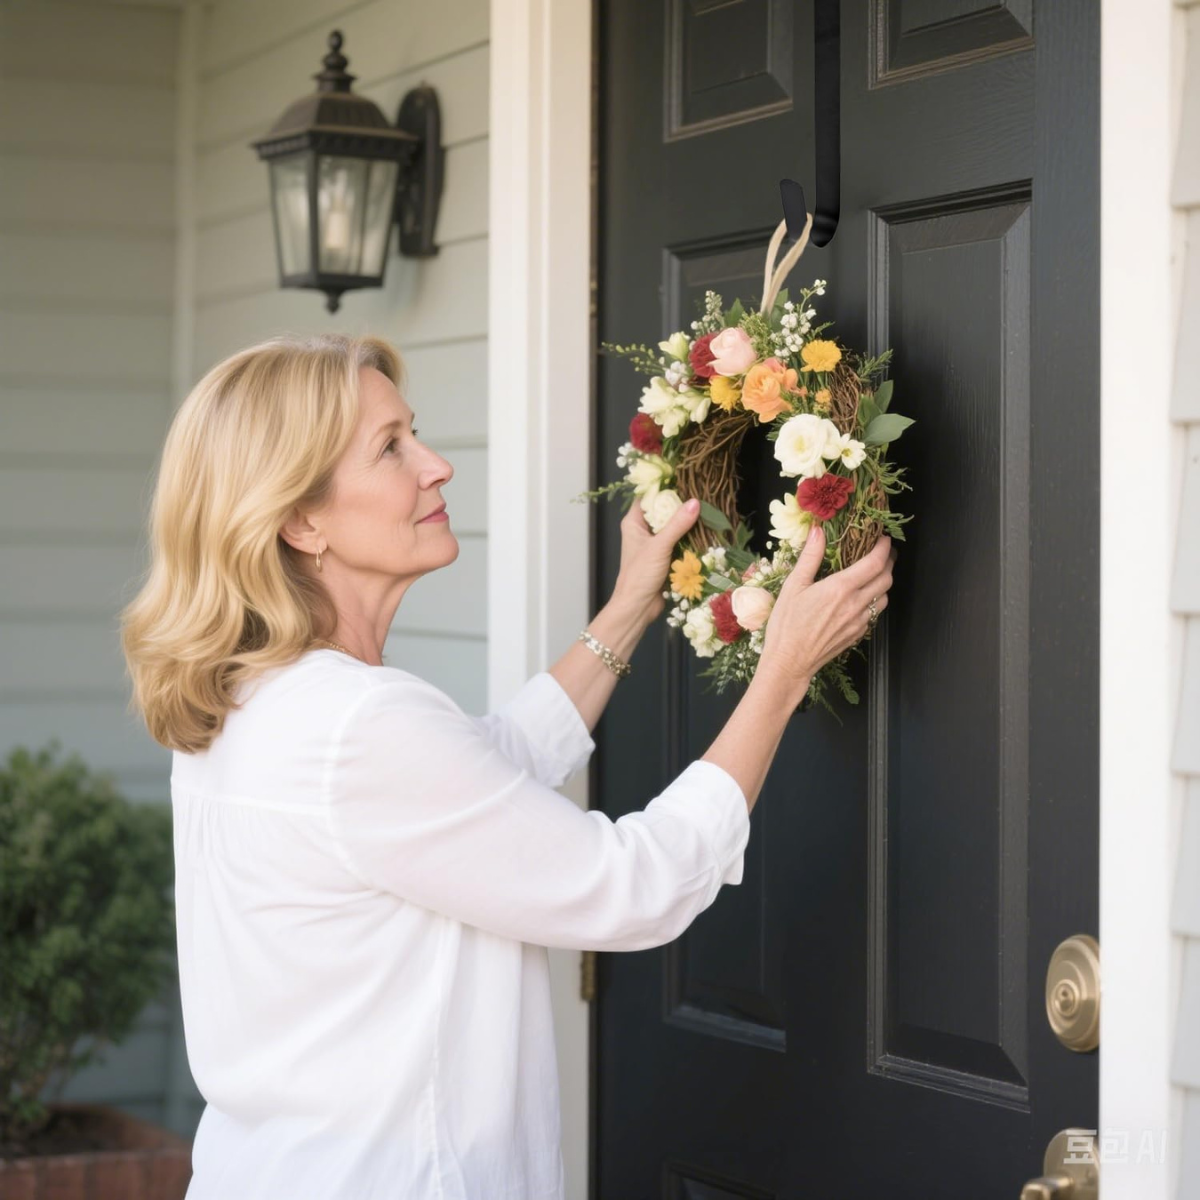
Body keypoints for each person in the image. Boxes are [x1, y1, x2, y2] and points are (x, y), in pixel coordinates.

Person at [120, 332, 895, 1200]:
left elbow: (480, 778)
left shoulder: (258, 701)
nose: (437, 465)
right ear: (301, 519)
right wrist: (782, 672)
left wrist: (628, 607)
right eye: (391, 448)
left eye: (415, 433)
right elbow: (633, 885)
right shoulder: (357, 724)